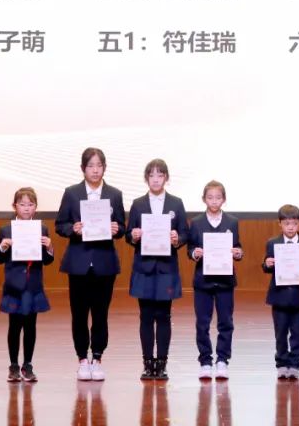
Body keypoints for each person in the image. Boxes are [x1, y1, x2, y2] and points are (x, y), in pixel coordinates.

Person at [55, 147, 127, 381]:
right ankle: (82, 360)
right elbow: (60, 225)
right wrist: (73, 228)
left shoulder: (114, 194)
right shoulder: (72, 193)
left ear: (104, 168)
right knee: (78, 314)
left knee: (100, 313)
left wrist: (117, 229)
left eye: (99, 165)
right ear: (83, 168)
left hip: (104, 262)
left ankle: (97, 358)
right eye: (90, 166)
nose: (95, 170)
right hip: (79, 262)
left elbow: (122, 227)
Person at [127, 158, 189, 380]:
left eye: (160, 175)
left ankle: (161, 363)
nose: (155, 179)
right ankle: (147, 363)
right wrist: (133, 235)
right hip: (144, 267)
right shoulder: (137, 204)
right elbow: (128, 234)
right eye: (151, 175)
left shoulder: (176, 203)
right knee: (145, 316)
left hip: (166, 267)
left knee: (163, 315)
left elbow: (185, 233)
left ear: (166, 178)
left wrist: (177, 238)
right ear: (146, 178)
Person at [0, 187, 55, 383]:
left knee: (30, 326)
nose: (26, 208)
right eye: (22, 204)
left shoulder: (42, 229)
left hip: (32, 285)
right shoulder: (6, 230)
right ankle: (13, 365)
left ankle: (28, 364)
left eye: (30, 204)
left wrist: (50, 247)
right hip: (14, 285)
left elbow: (47, 261)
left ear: (36, 207)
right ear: (14, 206)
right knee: (14, 325)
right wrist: (2, 247)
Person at [187, 180, 243, 379]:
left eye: (218, 197)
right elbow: (189, 248)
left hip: (225, 280)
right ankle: (205, 361)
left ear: (224, 199)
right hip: (203, 280)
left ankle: (222, 360)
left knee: (226, 322)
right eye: (210, 197)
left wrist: (238, 253)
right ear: (204, 199)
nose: (214, 201)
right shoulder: (196, 222)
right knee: (202, 323)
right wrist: (195, 253)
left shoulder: (232, 222)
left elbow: (237, 246)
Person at [262, 204, 299, 379]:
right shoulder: (273, 243)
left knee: (298, 333)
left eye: (294, 223)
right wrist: (267, 264)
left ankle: (295, 364)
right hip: (279, 296)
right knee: (280, 333)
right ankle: (281, 363)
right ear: (280, 224)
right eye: (287, 223)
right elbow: (266, 265)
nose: (291, 227)